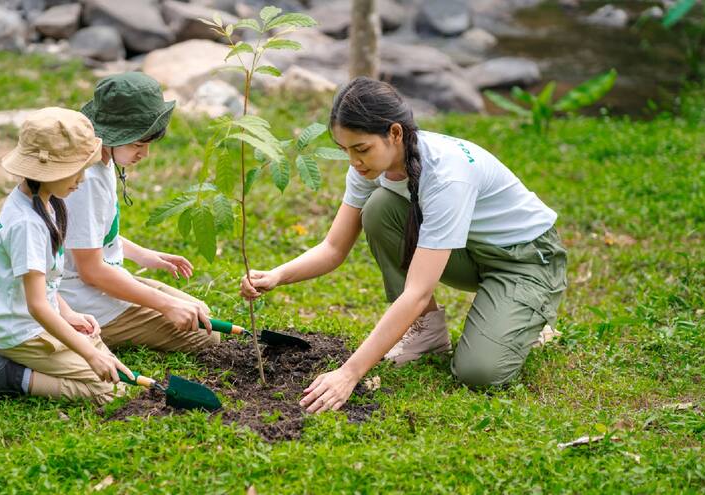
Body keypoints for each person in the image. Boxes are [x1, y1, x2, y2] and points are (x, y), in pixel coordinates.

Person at [240, 77, 567, 413]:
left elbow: (417, 292)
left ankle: (526, 321)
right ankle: (427, 334)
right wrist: (277, 275)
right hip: (467, 251)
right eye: (345, 150)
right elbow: (334, 248)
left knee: (479, 373)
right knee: (380, 209)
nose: (353, 161)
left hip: (524, 261)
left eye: (361, 148)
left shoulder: (446, 175)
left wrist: (349, 373)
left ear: (395, 133)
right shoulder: (369, 167)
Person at [0, 107, 133, 410]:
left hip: (33, 324)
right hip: (24, 331)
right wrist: (90, 355)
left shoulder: (44, 202)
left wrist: (69, 314)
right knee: (111, 391)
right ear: (46, 171)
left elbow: (48, 286)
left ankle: (7, 356)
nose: (82, 179)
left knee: (108, 362)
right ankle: (8, 375)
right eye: (75, 170)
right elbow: (37, 305)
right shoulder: (27, 224)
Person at [59, 72, 218, 354]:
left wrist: (146, 256)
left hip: (100, 282)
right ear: (111, 135)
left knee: (200, 312)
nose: (144, 155)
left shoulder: (102, 160)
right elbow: (90, 270)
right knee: (205, 336)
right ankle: (70, 333)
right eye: (137, 144)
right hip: (79, 298)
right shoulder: (87, 181)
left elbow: (92, 238)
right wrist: (165, 305)